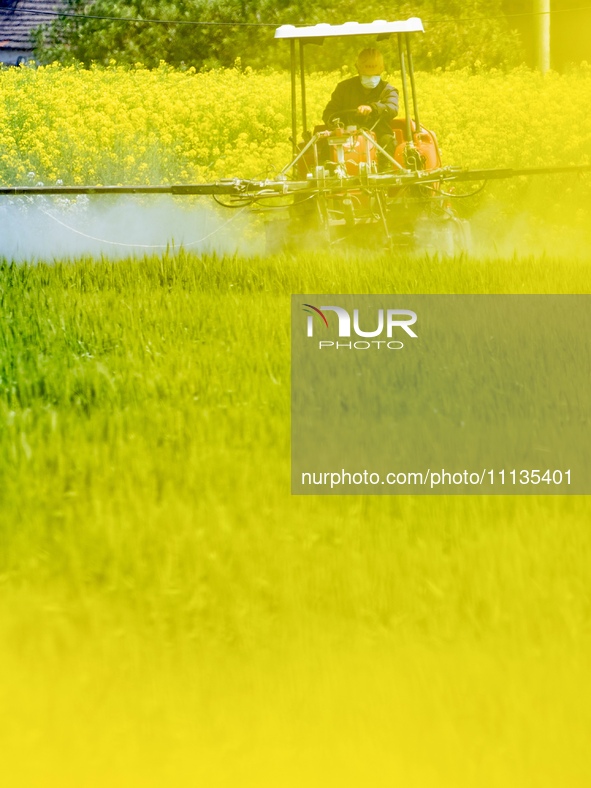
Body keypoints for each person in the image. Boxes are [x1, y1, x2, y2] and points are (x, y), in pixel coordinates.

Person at [322, 48, 399, 157]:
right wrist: (337, 127)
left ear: (382, 69)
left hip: (379, 135)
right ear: (358, 69)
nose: (371, 78)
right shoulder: (343, 88)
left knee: (388, 141)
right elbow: (329, 112)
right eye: (366, 75)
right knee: (327, 146)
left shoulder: (388, 90)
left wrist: (372, 108)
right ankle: (329, 170)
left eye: (374, 75)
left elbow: (392, 108)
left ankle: (384, 170)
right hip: (346, 135)